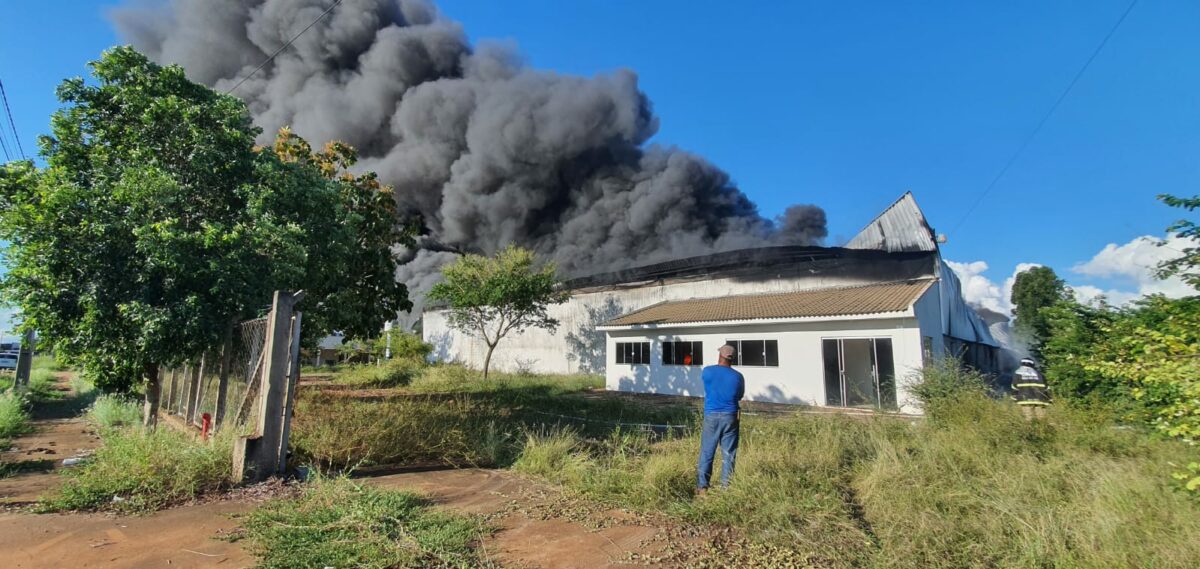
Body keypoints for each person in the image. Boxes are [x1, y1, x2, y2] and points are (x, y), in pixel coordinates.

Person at [697, 344, 745, 494]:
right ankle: (726, 488)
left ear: (720, 355)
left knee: (707, 451)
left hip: (711, 415)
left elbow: (707, 387)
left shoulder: (708, 371)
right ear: (732, 358)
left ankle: (702, 487)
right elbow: (739, 396)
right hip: (731, 416)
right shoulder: (738, 376)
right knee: (729, 453)